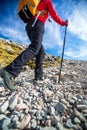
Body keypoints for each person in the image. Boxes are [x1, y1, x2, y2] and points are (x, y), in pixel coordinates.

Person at [0, 0, 68, 92]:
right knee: (34, 48)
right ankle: (9, 71)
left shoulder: (36, 3)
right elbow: (54, 15)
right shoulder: (47, 1)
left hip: (29, 26)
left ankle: (38, 76)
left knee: (41, 51)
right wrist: (64, 23)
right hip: (38, 23)